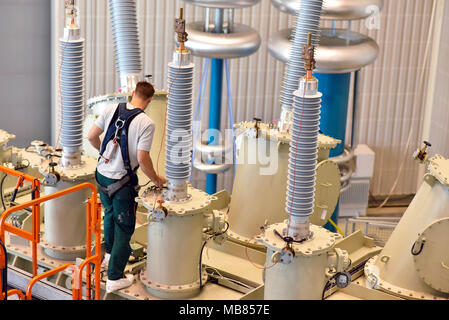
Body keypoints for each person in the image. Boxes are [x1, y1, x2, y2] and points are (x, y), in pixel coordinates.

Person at [88, 81, 166, 293]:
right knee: (124, 227)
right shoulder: (146, 123)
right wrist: (157, 179)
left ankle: (110, 256)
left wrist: (103, 155)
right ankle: (114, 277)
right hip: (121, 183)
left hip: (101, 176)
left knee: (110, 214)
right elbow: (142, 158)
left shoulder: (110, 108)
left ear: (133, 93)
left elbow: (91, 136)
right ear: (149, 101)